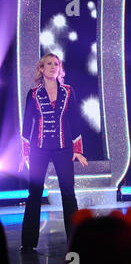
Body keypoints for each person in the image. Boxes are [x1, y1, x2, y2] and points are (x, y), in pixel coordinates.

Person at [18, 53, 88, 252]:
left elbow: (75, 119)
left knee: (68, 193)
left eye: (55, 64)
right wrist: (24, 153)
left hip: (63, 148)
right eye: (48, 64)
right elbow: (27, 123)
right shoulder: (33, 93)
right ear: (41, 68)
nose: (52, 67)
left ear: (60, 68)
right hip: (38, 149)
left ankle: (74, 242)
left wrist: (78, 150)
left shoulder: (68, 91)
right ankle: (28, 242)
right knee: (35, 193)